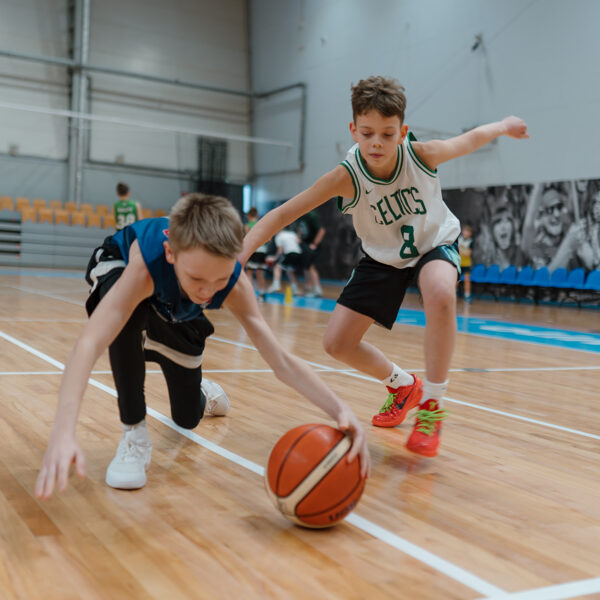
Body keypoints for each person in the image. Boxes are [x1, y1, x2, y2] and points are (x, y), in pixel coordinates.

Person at [241, 76, 529, 457]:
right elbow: (282, 215)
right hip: (382, 258)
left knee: (440, 292)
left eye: (387, 134)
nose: (376, 142)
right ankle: (403, 385)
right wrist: (238, 257)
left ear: (402, 132)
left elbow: (470, 140)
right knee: (337, 344)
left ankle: (432, 406)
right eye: (367, 133)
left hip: (433, 243)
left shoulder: (421, 155)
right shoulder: (346, 177)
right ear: (353, 130)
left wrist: (503, 126)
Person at [35, 194, 369, 499]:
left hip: (174, 306)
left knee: (186, 419)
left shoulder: (232, 282)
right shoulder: (145, 267)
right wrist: (63, 431)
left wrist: (339, 409)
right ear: (171, 253)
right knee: (121, 321)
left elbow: (280, 361)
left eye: (219, 280)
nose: (208, 292)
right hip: (121, 270)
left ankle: (201, 392)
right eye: (197, 279)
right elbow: (89, 343)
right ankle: (134, 434)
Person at [267, 227, 304, 295]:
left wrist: (275, 258)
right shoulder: (292, 233)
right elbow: (299, 241)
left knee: (277, 267)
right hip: (299, 254)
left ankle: (276, 285)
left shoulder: (278, 237)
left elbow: (280, 251)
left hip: (290, 254)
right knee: (290, 270)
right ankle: (295, 289)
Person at [297, 211, 326, 297]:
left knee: (310, 266)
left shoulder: (312, 216)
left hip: (312, 246)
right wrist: (299, 238)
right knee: (306, 266)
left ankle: (317, 289)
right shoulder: (299, 215)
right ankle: (309, 287)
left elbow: (321, 230)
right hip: (305, 245)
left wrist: (314, 244)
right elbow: (300, 229)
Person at [244, 207, 268, 300]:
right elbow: (267, 239)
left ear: (248, 216)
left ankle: (250, 295)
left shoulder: (247, 225)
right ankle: (262, 293)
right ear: (257, 215)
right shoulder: (261, 224)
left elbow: (248, 239)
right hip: (263, 250)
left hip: (254, 250)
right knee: (260, 272)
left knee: (249, 272)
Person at [458, 223, 473, 302]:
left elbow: (468, 254)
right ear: (463, 231)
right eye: (465, 231)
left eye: (468, 232)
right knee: (456, 280)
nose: (466, 233)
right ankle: (453, 294)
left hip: (466, 264)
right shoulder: (458, 239)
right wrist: (462, 252)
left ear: (470, 233)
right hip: (458, 263)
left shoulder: (470, 242)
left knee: (467, 280)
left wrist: (460, 251)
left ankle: (467, 295)